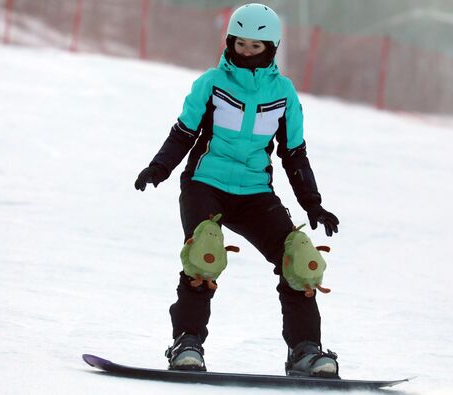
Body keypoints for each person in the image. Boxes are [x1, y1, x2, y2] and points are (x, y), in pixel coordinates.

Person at [134, 3, 340, 378]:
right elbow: (183, 133)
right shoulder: (211, 83)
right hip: (205, 185)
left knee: (300, 261)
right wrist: (159, 168)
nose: (245, 51)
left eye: (255, 46)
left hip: (255, 193)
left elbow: (294, 154)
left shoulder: (284, 94)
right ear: (229, 40)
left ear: (271, 48)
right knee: (204, 254)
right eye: (240, 43)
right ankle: (187, 343)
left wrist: (314, 205)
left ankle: (305, 350)